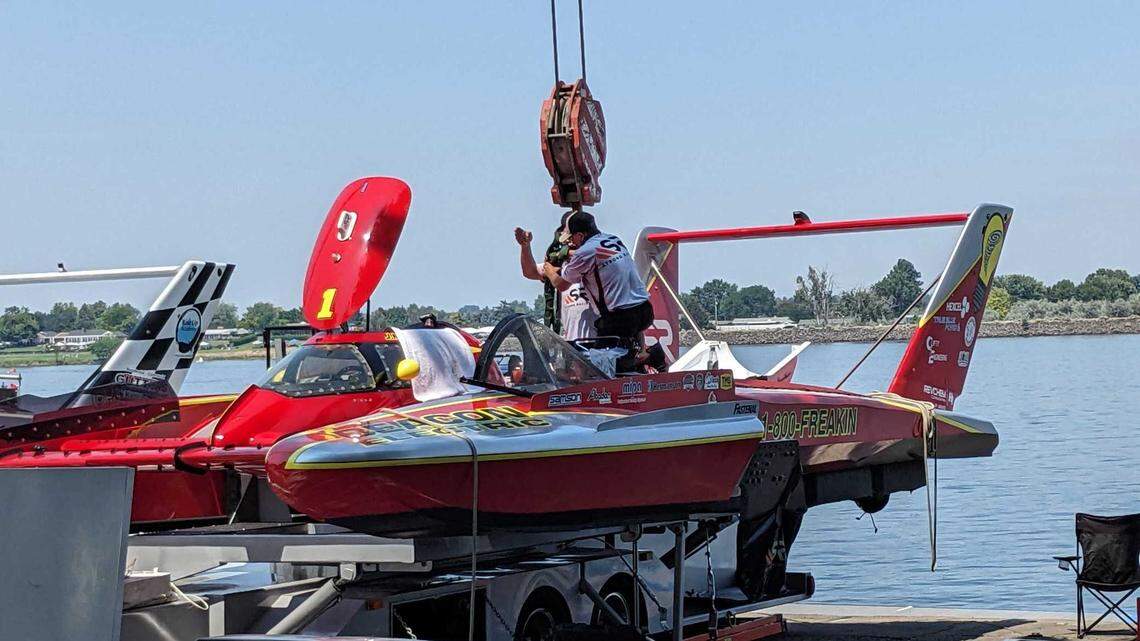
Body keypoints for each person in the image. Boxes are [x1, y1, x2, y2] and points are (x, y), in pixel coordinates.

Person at [542, 211, 657, 366]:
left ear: (581, 236)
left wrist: (548, 269)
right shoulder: (614, 239)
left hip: (620, 318)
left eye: (571, 238)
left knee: (598, 365)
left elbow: (561, 284)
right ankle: (651, 356)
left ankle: (642, 362)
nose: (570, 243)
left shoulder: (584, 253)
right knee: (625, 352)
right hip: (644, 309)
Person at [514, 214, 598, 342]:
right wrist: (525, 246)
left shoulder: (596, 259)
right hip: (573, 343)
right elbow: (529, 272)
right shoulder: (559, 265)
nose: (569, 241)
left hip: (601, 339)